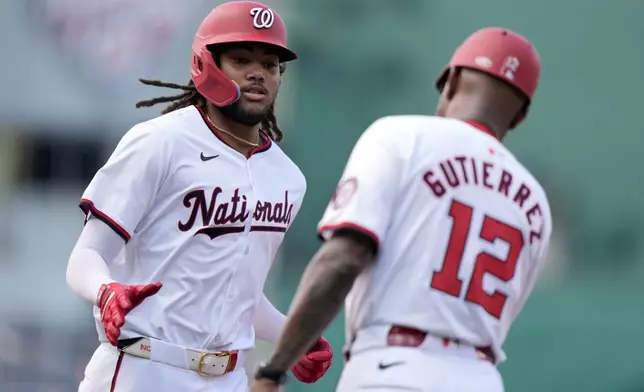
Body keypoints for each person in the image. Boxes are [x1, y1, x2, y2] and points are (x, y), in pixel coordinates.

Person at [250, 27, 551, 392]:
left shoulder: (402, 137)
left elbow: (343, 259)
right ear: (519, 117)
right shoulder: (536, 202)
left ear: (451, 82)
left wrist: (273, 371)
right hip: (480, 378)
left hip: (392, 371)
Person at [65, 2, 333, 391]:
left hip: (229, 378)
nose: (259, 73)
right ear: (206, 64)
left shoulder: (287, 178)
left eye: (271, 64)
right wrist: (105, 292)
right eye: (241, 59)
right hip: (143, 367)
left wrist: (295, 336)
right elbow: (85, 256)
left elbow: (239, 295)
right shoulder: (160, 142)